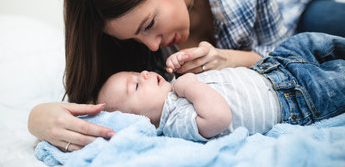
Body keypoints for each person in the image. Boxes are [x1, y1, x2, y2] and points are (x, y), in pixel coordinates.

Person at [28, 0, 345, 151]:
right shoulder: (136, 67)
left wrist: (228, 58)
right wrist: (36, 118)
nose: (153, 46)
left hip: (291, 25)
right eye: (136, 39)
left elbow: (275, 56)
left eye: (150, 24)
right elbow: (102, 106)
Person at [97, 32, 345, 141]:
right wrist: (189, 85)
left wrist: (182, 65)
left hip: (273, 66)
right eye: (137, 86)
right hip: (297, 100)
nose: (143, 74)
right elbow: (218, 117)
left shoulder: (174, 85)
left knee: (311, 41)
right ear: (142, 122)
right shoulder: (175, 122)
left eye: (135, 73)